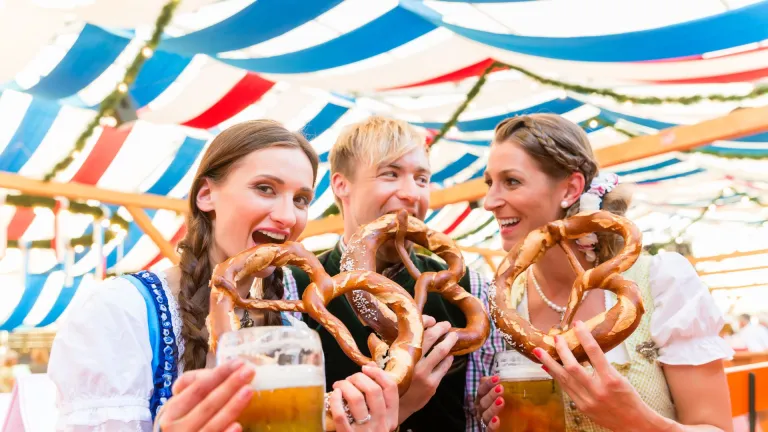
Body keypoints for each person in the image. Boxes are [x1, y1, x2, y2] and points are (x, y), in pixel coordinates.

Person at [48, 120, 399, 432]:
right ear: (206, 195)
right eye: (265, 188)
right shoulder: (122, 312)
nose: (287, 216)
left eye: (301, 199)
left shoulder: (292, 328)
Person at [475, 114, 734, 431]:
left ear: (571, 189)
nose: (489, 202)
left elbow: (716, 426)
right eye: (490, 183)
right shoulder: (504, 301)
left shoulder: (661, 282)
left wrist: (639, 421)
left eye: (511, 181)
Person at [284, 116, 505, 432]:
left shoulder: (473, 289)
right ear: (341, 184)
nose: (412, 194)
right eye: (390, 174)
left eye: (421, 179)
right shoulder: (292, 287)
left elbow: (476, 423)